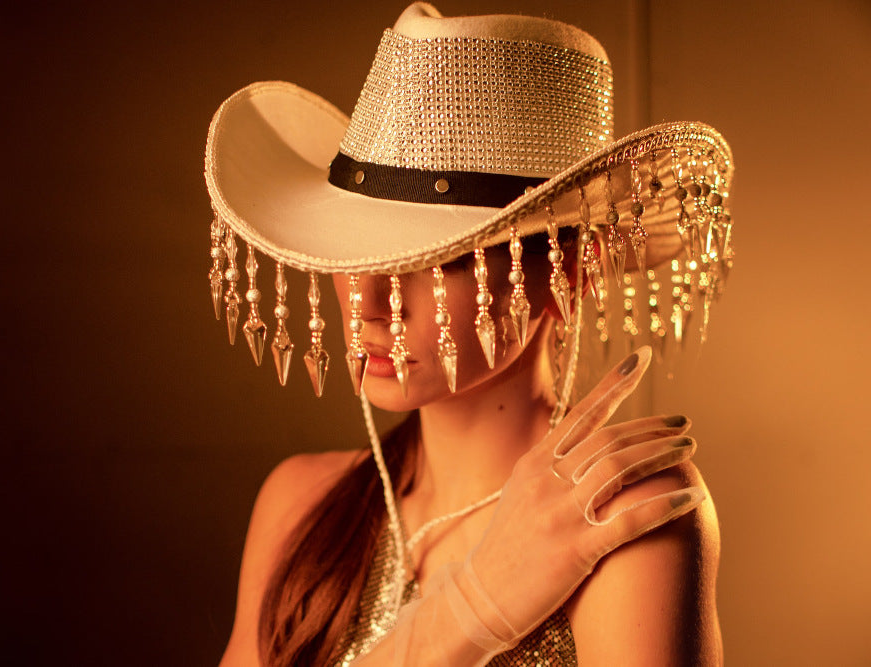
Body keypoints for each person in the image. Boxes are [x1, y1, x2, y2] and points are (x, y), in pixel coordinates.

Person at [205, 3, 732, 664]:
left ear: (573, 269)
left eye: (434, 259)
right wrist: (476, 605)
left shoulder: (622, 520)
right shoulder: (299, 505)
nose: (366, 301)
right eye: (356, 252)